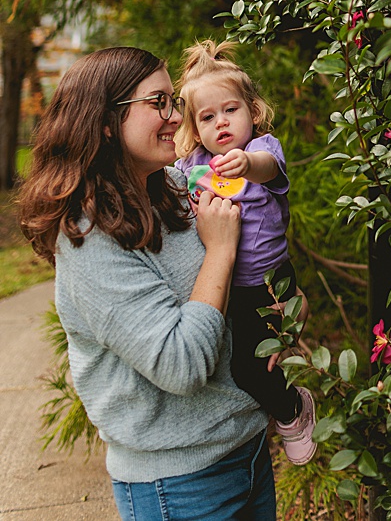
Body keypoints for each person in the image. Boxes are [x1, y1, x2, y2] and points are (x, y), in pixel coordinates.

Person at [17, 47, 276, 521]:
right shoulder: (88, 240)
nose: (177, 118)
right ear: (105, 122)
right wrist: (220, 250)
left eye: (173, 102)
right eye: (159, 103)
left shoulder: (178, 187)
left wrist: (276, 318)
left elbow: (259, 241)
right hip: (181, 484)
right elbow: (181, 365)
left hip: (250, 450)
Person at [174, 41, 315, 465]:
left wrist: (245, 164)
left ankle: (294, 411)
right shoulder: (192, 166)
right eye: (207, 117)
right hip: (227, 286)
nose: (221, 123)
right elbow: (172, 197)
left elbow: (268, 171)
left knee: (256, 369)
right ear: (196, 130)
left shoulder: (264, 150)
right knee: (237, 366)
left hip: (271, 282)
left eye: (230, 110)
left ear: (253, 112)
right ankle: (273, 413)